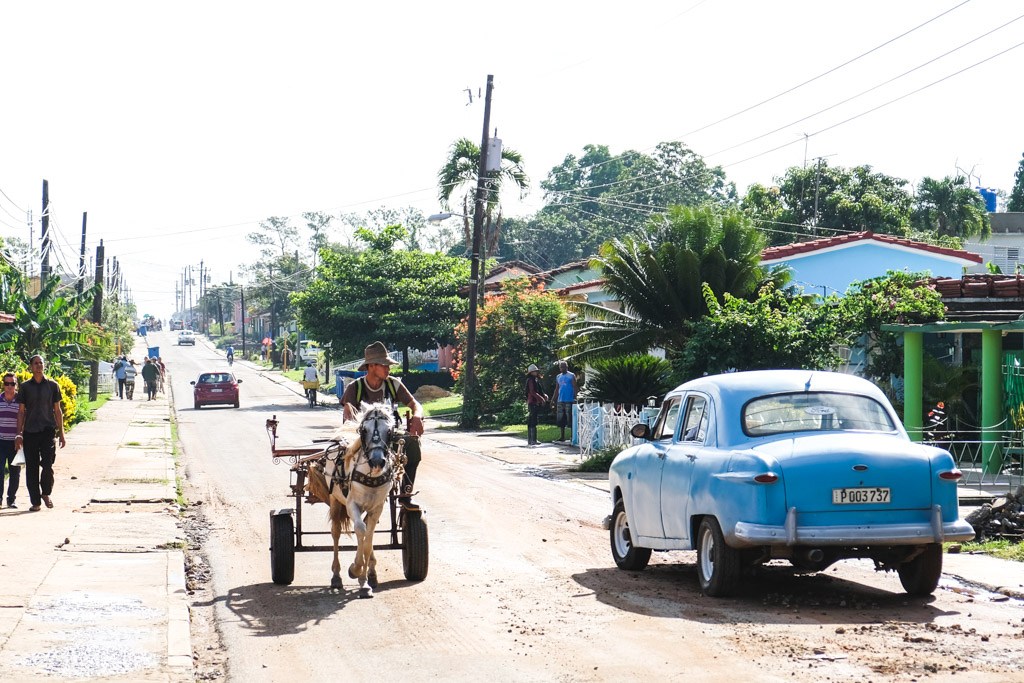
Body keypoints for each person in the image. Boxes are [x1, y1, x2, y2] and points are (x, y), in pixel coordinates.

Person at [340, 341, 424, 506]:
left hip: (389, 437)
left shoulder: (393, 384)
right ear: (371, 366)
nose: (388, 369)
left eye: (388, 365)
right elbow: (348, 421)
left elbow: (415, 404)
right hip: (362, 439)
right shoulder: (354, 388)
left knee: (413, 445)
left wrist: (417, 416)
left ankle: (406, 494)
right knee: (341, 455)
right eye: (384, 365)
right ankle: (346, 488)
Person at [15, 355, 66, 512]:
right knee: (31, 468)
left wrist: (62, 434)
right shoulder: (25, 387)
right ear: (31, 366)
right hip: (30, 432)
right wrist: (19, 434)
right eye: (35, 363)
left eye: (41, 363)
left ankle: (45, 492)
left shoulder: (52, 386)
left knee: (47, 464)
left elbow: (57, 411)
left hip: (47, 431)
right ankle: (35, 501)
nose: (38, 366)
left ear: (44, 365)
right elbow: (21, 412)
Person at [0, 372, 22, 508]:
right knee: (0, 472)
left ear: (16, 385)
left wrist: (20, 437)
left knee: (15, 472)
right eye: (7, 383)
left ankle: (11, 499)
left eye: (12, 384)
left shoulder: (21, 402)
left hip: (15, 442)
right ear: (3, 385)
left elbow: (24, 419)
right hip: (0, 441)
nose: (9, 386)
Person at [554, 360, 578, 443]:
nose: (562, 368)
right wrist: (553, 399)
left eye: (564, 367)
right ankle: (562, 436)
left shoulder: (571, 375)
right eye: (561, 367)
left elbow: (575, 387)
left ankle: (572, 436)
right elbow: (557, 388)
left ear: (567, 367)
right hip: (560, 400)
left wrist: (576, 398)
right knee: (561, 419)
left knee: (570, 418)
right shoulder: (558, 377)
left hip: (569, 400)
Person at [525, 363, 548, 447]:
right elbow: (532, 392)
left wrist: (544, 395)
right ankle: (532, 439)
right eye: (534, 371)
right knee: (532, 419)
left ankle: (532, 439)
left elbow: (539, 390)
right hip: (533, 402)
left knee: (533, 419)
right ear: (531, 372)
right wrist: (540, 398)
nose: (536, 372)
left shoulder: (535, 380)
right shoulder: (531, 380)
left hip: (534, 401)